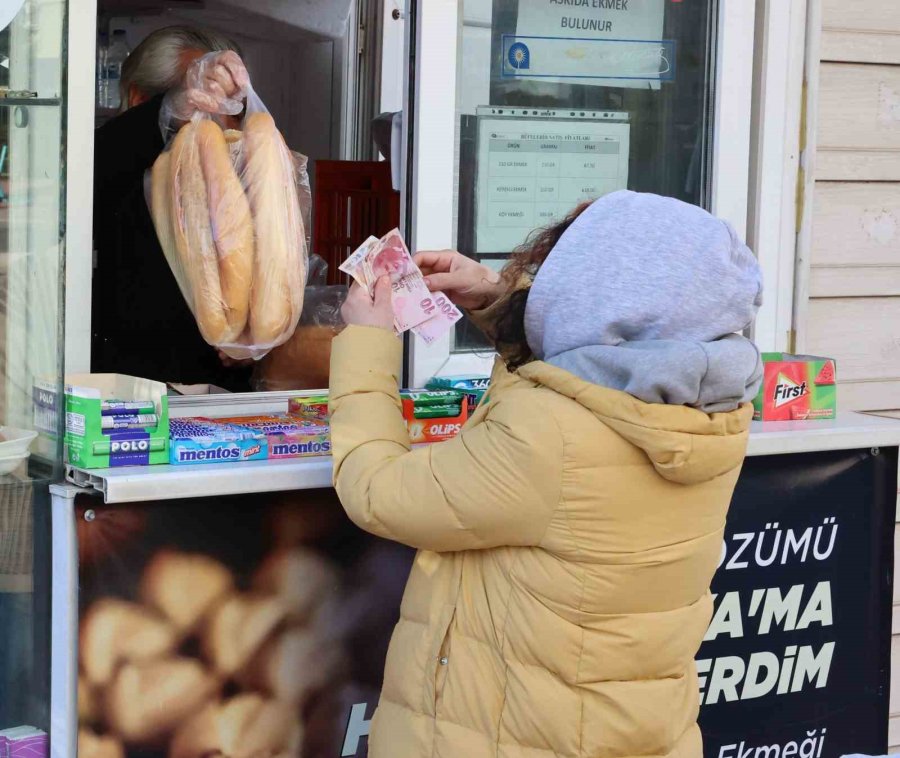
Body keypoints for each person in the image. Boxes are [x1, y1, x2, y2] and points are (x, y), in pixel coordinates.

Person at [330, 190, 763, 757]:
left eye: (564, 269)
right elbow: (595, 360)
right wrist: (497, 297)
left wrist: (368, 340)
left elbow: (377, 490)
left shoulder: (548, 433)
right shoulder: (706, 407)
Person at [92, 26, 253, 390]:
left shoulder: (239, 178)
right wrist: (170, 110)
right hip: (131, 400)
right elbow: (101, 158)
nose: (216, 122)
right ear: (139, 100)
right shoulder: (113, 163)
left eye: (227, 105)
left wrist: (257, 342)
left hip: (228, 412)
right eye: (200, 101)